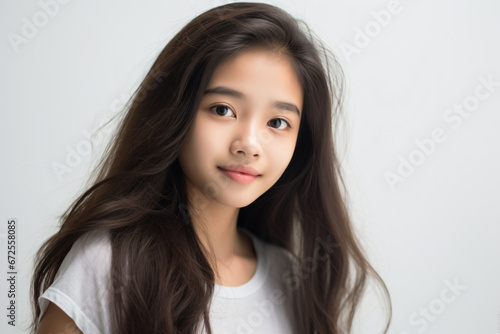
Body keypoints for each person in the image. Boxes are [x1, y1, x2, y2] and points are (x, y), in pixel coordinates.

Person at [30, 2, 392, 333]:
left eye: (278, 122)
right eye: (223, 110)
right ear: (176, 112)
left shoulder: (293, 278)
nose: (249, 144)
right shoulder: (107, 264)